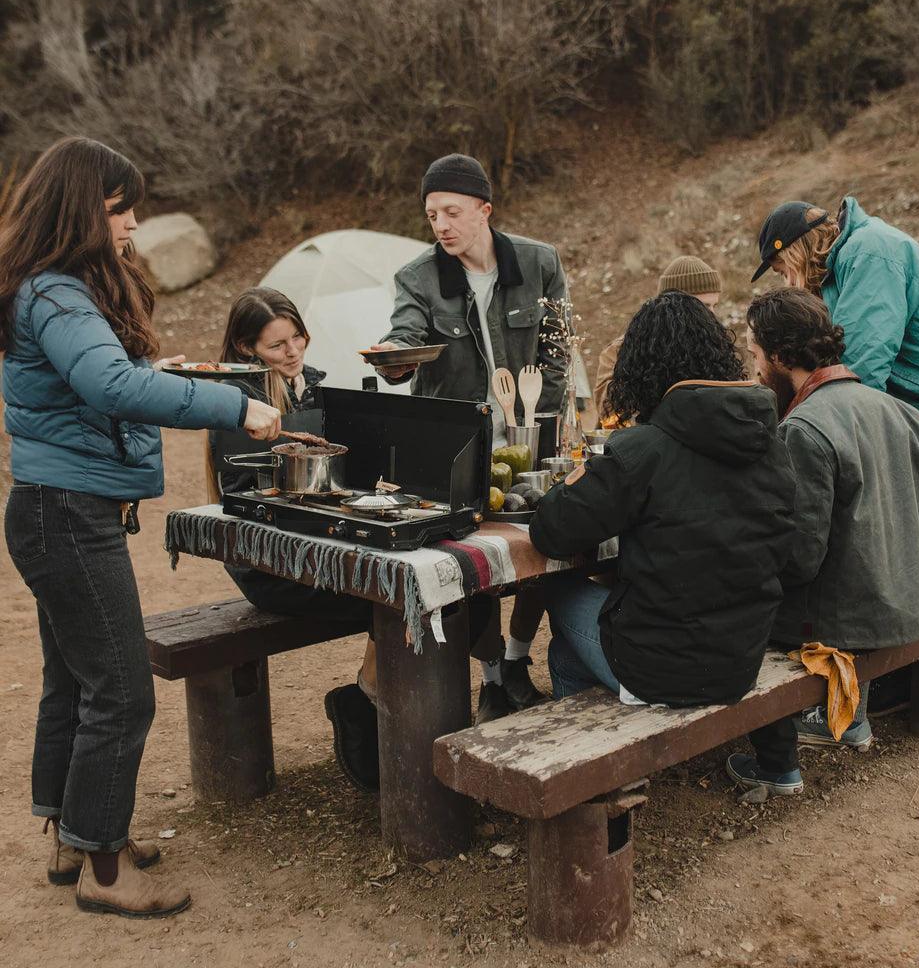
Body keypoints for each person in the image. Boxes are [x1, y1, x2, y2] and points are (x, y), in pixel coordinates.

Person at [0, 138, 281, 918]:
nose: (132, 226)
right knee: (123, 693)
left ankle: (76, 835)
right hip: (66, 515)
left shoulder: (45, 289)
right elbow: (108, 384)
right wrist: (235, 404)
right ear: (86, 209)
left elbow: (98, 382)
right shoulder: (56, 294)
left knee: (76, 680)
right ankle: (106, 873)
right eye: (122, 210)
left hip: (52, 508)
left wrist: (169, 379)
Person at [366, 153, 568, 724]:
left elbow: (556, 354)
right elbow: (404, 332)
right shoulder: (419, 277)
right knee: (473, 561)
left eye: (452, 211)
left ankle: (517, 656)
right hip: (457, 446)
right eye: (432, 216)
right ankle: (489, 676)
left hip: (527, 432)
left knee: (546, 548)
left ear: (485, 210)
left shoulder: (539, 262)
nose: (442, 225)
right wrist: (394, 359)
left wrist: (540, 427)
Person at [528, 291, 797, 707]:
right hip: (741, 657)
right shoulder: (770, 439)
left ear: (642, 370)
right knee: (564, 655)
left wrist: (583, 473)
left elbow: (551, 531)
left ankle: (615, 769)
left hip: (663, 669)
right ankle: (608, 761)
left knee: (559, 587)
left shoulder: (643, 450)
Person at [726, 288, 919, 795]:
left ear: (781, 358)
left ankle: (779, 765)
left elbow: (801, 560)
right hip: (915, 599)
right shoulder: (901, 410)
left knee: (732, 600)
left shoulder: (803, 428)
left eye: (757, 357)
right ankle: (850, 722)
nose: (756, 372)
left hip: (858, 617)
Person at [751, 198, 919, 505]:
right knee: (910, 527)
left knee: (871, 494)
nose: (788, 281)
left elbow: (859, 373)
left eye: (782, 270)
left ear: (795, 252)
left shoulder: (870, 253)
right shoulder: (845, 268)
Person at [213, 288, 376, 789]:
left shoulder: (317, 389)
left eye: (297, 337)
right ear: (245, 349)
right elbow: (243, 499)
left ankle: (371, 701)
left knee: (414, 594)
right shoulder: (236, 404)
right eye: (276, 345)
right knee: (392, 603)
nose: (293, 351)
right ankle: (364, 709)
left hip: (321, 544)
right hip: (269, 563)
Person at [593, 254, 722, 419]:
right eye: (703, 306)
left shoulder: (716, 347)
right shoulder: (621, 350)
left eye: (714, 306)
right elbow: (610, 411)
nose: (711, 315)